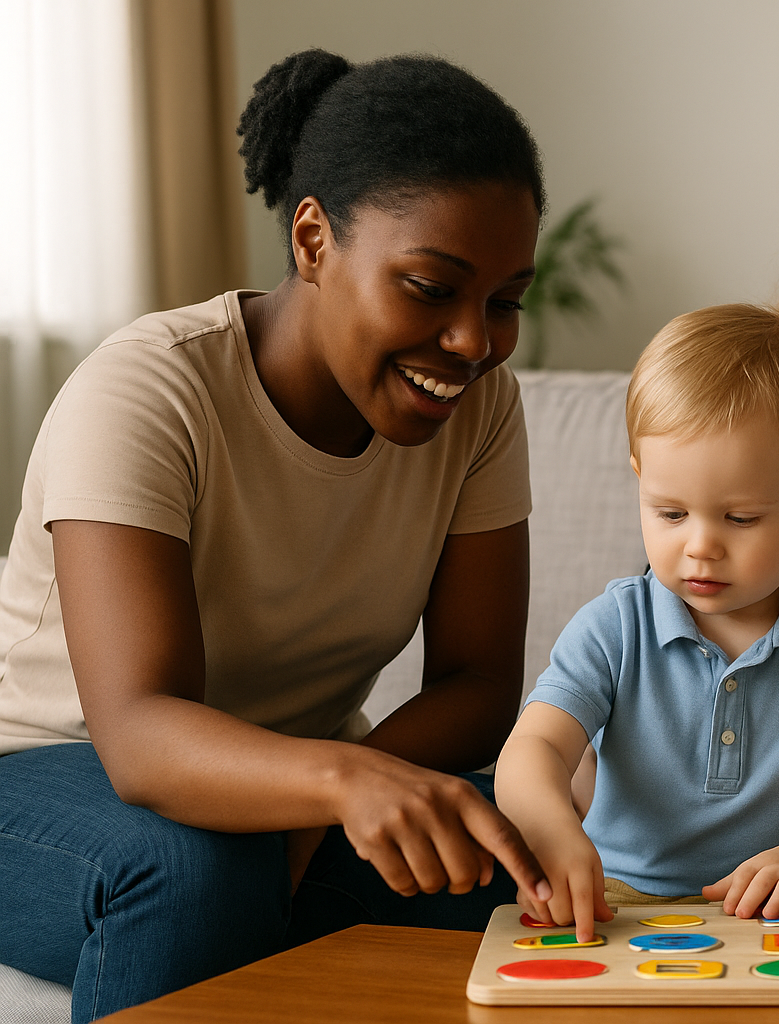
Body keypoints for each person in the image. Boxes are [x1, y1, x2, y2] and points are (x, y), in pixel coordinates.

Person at [0, 50, 554, 1021]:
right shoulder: (148, 391)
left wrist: (342, 795)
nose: (475, 342)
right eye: (432, 287)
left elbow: (477, 682)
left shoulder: (479, 409)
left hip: (274, 783)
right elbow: (136, 735)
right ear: (312, 239)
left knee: (510, 853)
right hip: (42, 775)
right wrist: (338, 781)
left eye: (504, 301)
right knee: (192, 864)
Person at [495, 304, 779, 955]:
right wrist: (554, 827)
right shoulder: (614, 625)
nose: (700, 547)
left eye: (740, 518)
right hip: (620, 899)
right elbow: (533, 750)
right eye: (670, 512)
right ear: (640, 482)